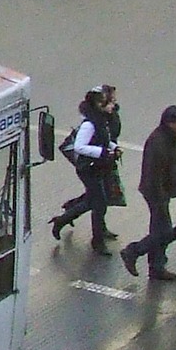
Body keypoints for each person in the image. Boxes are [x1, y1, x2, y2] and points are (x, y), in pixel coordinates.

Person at [121, 105, 176, 281]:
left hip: (162, 191)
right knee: (164, 232)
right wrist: (161, 194)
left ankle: (157, 267)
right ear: (170, 122)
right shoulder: (159, 141)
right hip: (156, 192)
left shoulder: (169, 138)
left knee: (158, 230)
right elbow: (154, 172)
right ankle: (133, 251)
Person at [50, 86, 120, 254]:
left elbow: (104, 139)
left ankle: (63, 220)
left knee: (94, 200)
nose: (113, 105)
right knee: (99, 203)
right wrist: (103, 152)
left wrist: (113, 147)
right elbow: (79, 146)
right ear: (100, 105)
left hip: (99, 166)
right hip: (89, 169)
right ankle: (97, 241)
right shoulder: (89, 124)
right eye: (110, 103)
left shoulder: (100, 119)